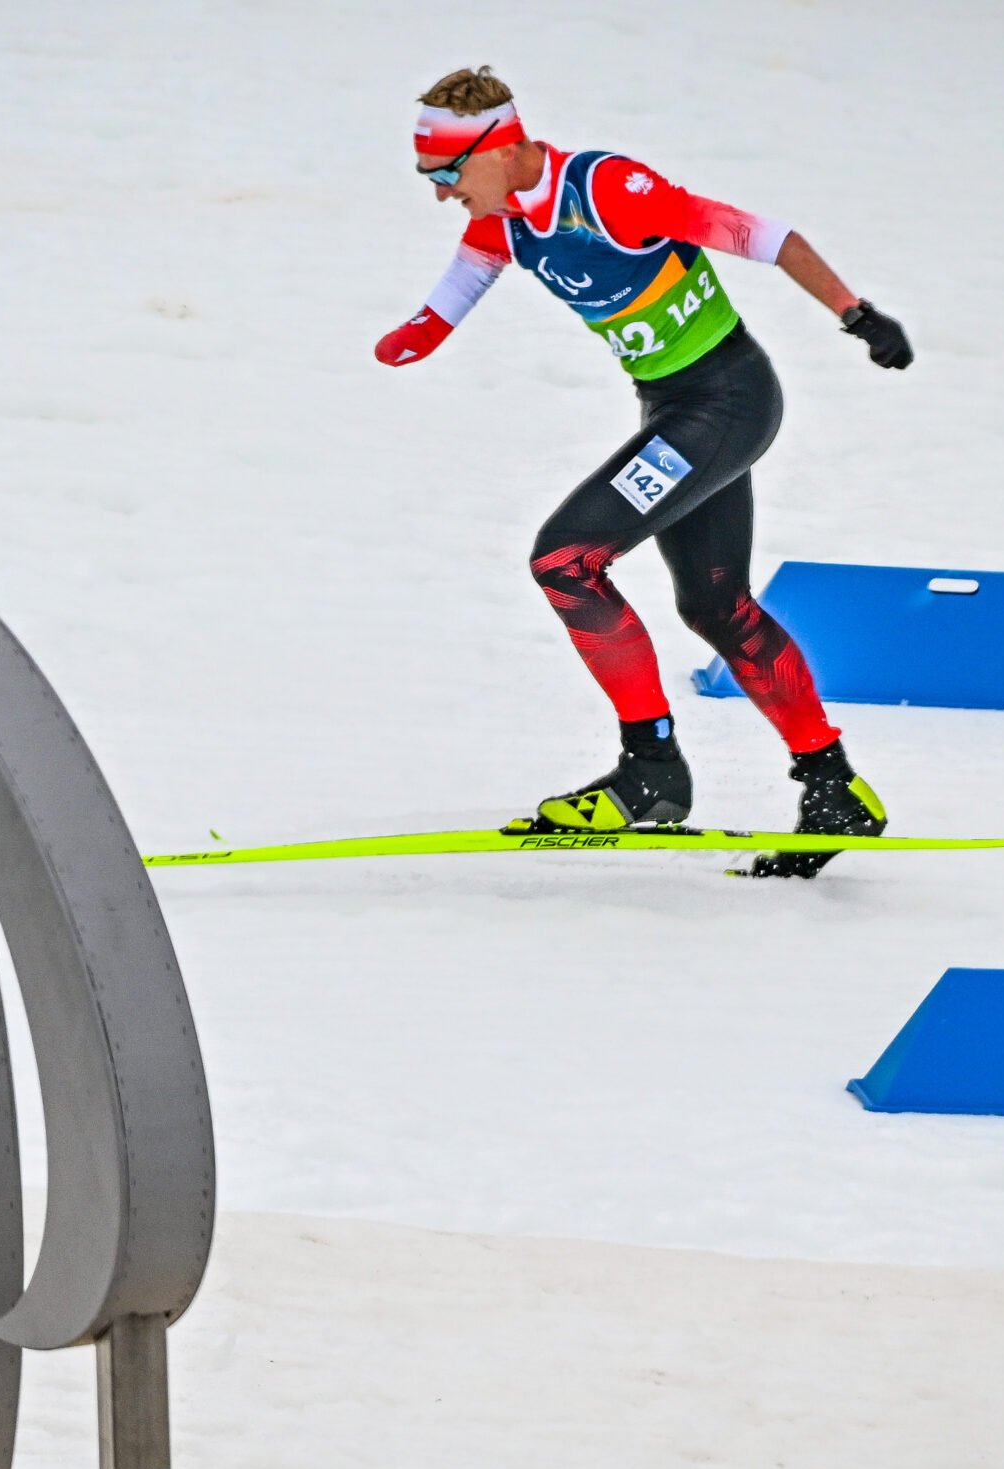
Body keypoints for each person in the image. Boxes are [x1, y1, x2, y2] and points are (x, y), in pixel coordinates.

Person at [377, 66, 913, 877]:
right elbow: (456, 290)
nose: (444, 193)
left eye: (449, 173)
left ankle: (652, 773)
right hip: (679, 413)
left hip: (725, 401)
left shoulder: (609, 191)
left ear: (502, 147)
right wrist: (411, 336)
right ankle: (834, 787)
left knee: (566, 562)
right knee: (715, 605)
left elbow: (764, 237)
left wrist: (857, 314)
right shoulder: (503, 222)